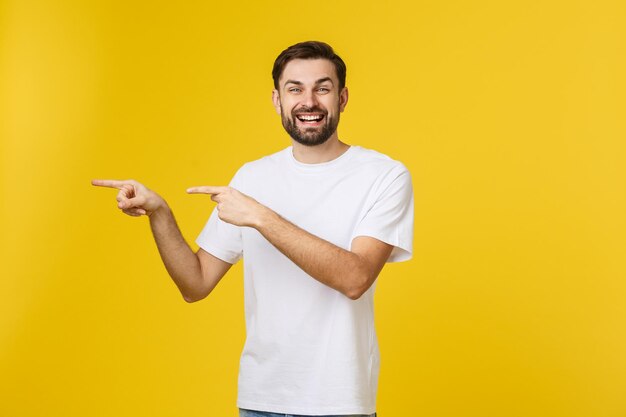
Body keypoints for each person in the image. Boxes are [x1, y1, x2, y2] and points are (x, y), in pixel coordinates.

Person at [93, 41, 413, 417]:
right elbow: (195, 284)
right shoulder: (253, 177)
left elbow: (355, 278)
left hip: (339, 403)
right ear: (277, 100)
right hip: (261, 402)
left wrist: (262, 216)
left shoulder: (384, 175)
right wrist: (159, 213)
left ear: (342, 98)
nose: (308, 101)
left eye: (322, 88)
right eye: (294, 89)